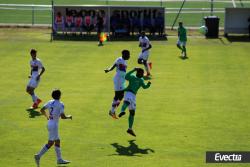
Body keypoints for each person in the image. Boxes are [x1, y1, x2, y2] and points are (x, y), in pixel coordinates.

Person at [34, 89, 72, 167]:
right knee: (50, 143)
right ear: (59, 96)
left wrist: (47, 117)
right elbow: (63, 116)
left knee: (57, 141)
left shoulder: (50, 102)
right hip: (54, 125)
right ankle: (38, 156)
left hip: (49, 123)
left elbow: (42, 110)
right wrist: (69, 117)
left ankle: (59, 159)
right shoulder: (61, 104)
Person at [118, 68, 151, 137]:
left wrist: (148, 85)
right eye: (141, 73)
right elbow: (126, 76)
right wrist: (133, 69)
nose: (142, 74)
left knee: (132, 113)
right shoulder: (132, 77)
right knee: (127, 102)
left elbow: (144, 87)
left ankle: (130, 129)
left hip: (134, 96)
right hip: (129, 92)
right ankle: (122, 111)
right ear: (137, 73)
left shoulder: (141, 80)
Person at [105, 50, 130, 119]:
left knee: (121, 96)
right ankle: (112, 111)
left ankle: (112, 110)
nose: (129, 56)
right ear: (124, 54)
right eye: (128, 55)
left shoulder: (124, 61)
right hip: (118, 80)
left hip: (121, 80)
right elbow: (115, 65)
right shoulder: (120, 59)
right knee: (118, 96)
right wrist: (109, 70)